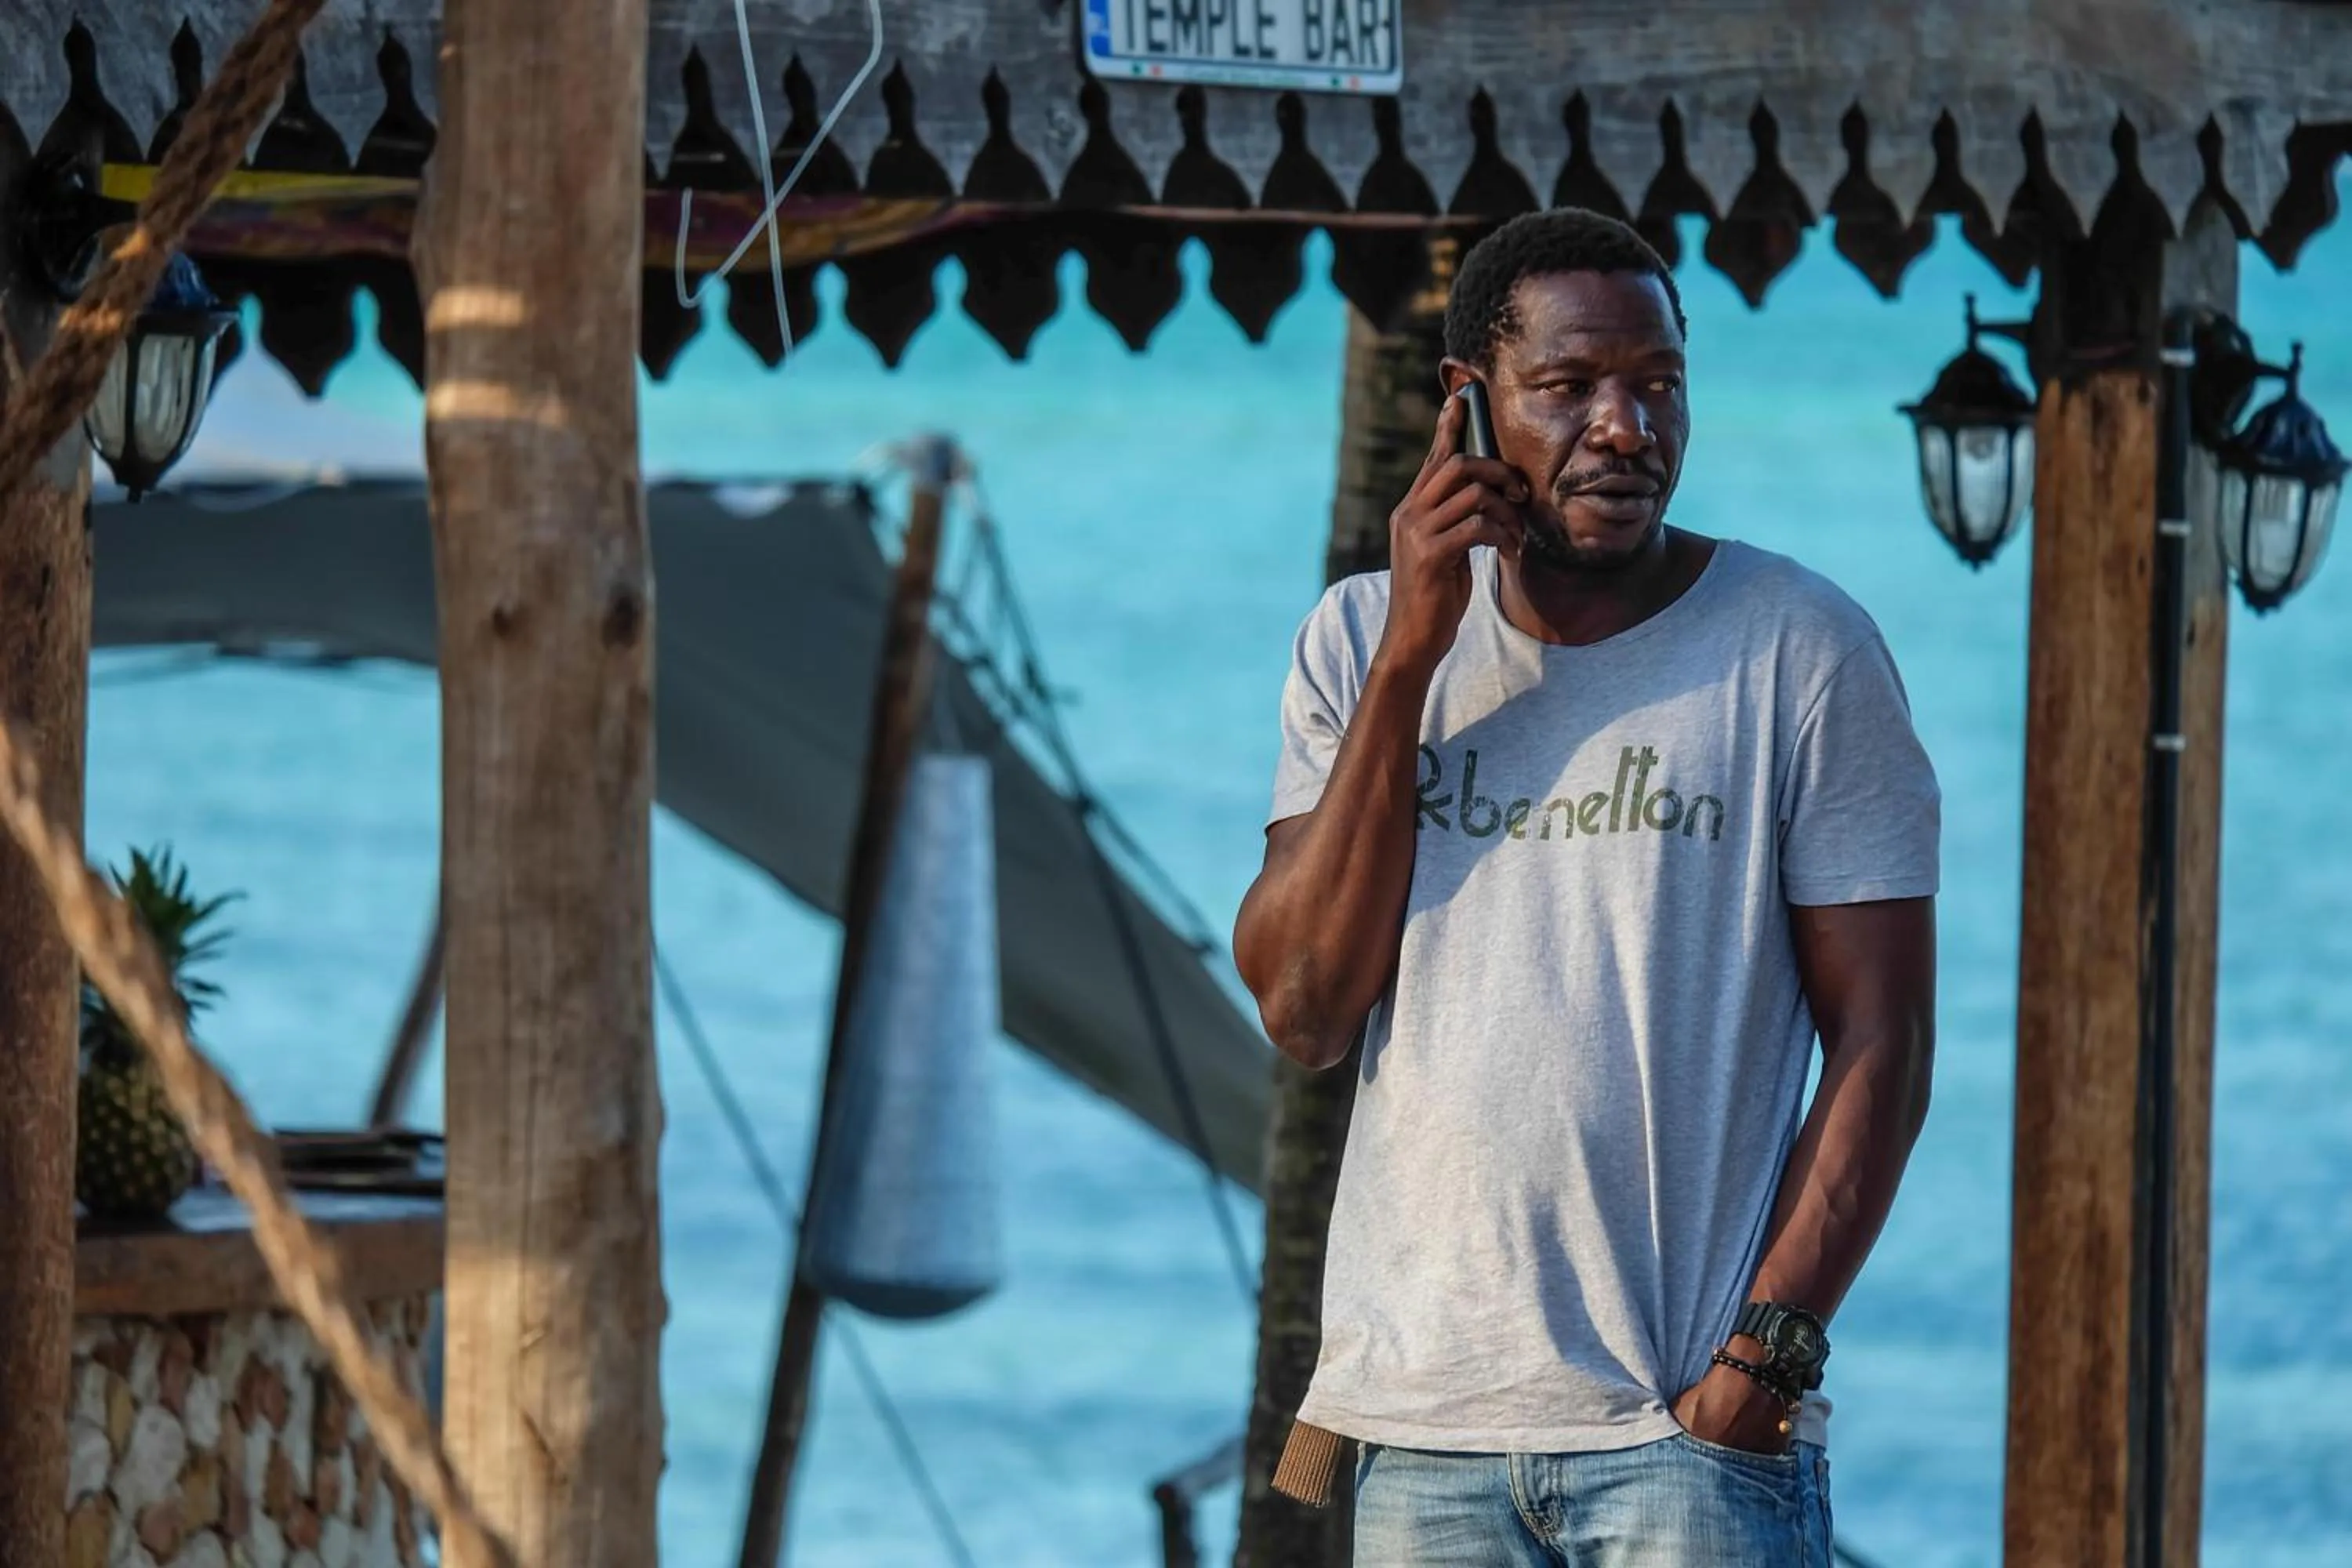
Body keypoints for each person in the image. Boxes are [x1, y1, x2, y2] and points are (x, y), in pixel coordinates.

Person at [1233, 208, 1940, 1566]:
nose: (1626, 427)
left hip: (1686, 1452)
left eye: (1658, 383)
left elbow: (1885, 1041)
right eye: (1568, 389)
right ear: (1470, 406)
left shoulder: (1802, 653)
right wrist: (1413, 655)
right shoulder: (1356, 643)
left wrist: (1758, 1373)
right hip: (1424, 1440)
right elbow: (1308, 1006)